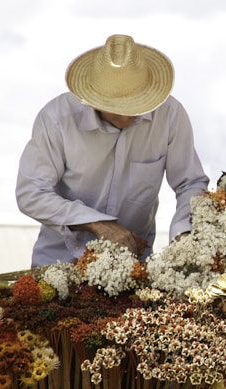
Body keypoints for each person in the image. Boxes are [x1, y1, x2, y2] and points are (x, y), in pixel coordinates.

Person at [16, 34, 209, 267]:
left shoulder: (170, 115)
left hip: (134, 266)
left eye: (135, 107)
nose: (126, 117)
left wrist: (183, 234)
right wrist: (96, 223)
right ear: (93, 98)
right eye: (115, 109)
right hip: (58, 263)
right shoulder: (57, 118)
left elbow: (190, 183)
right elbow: (31, 193)